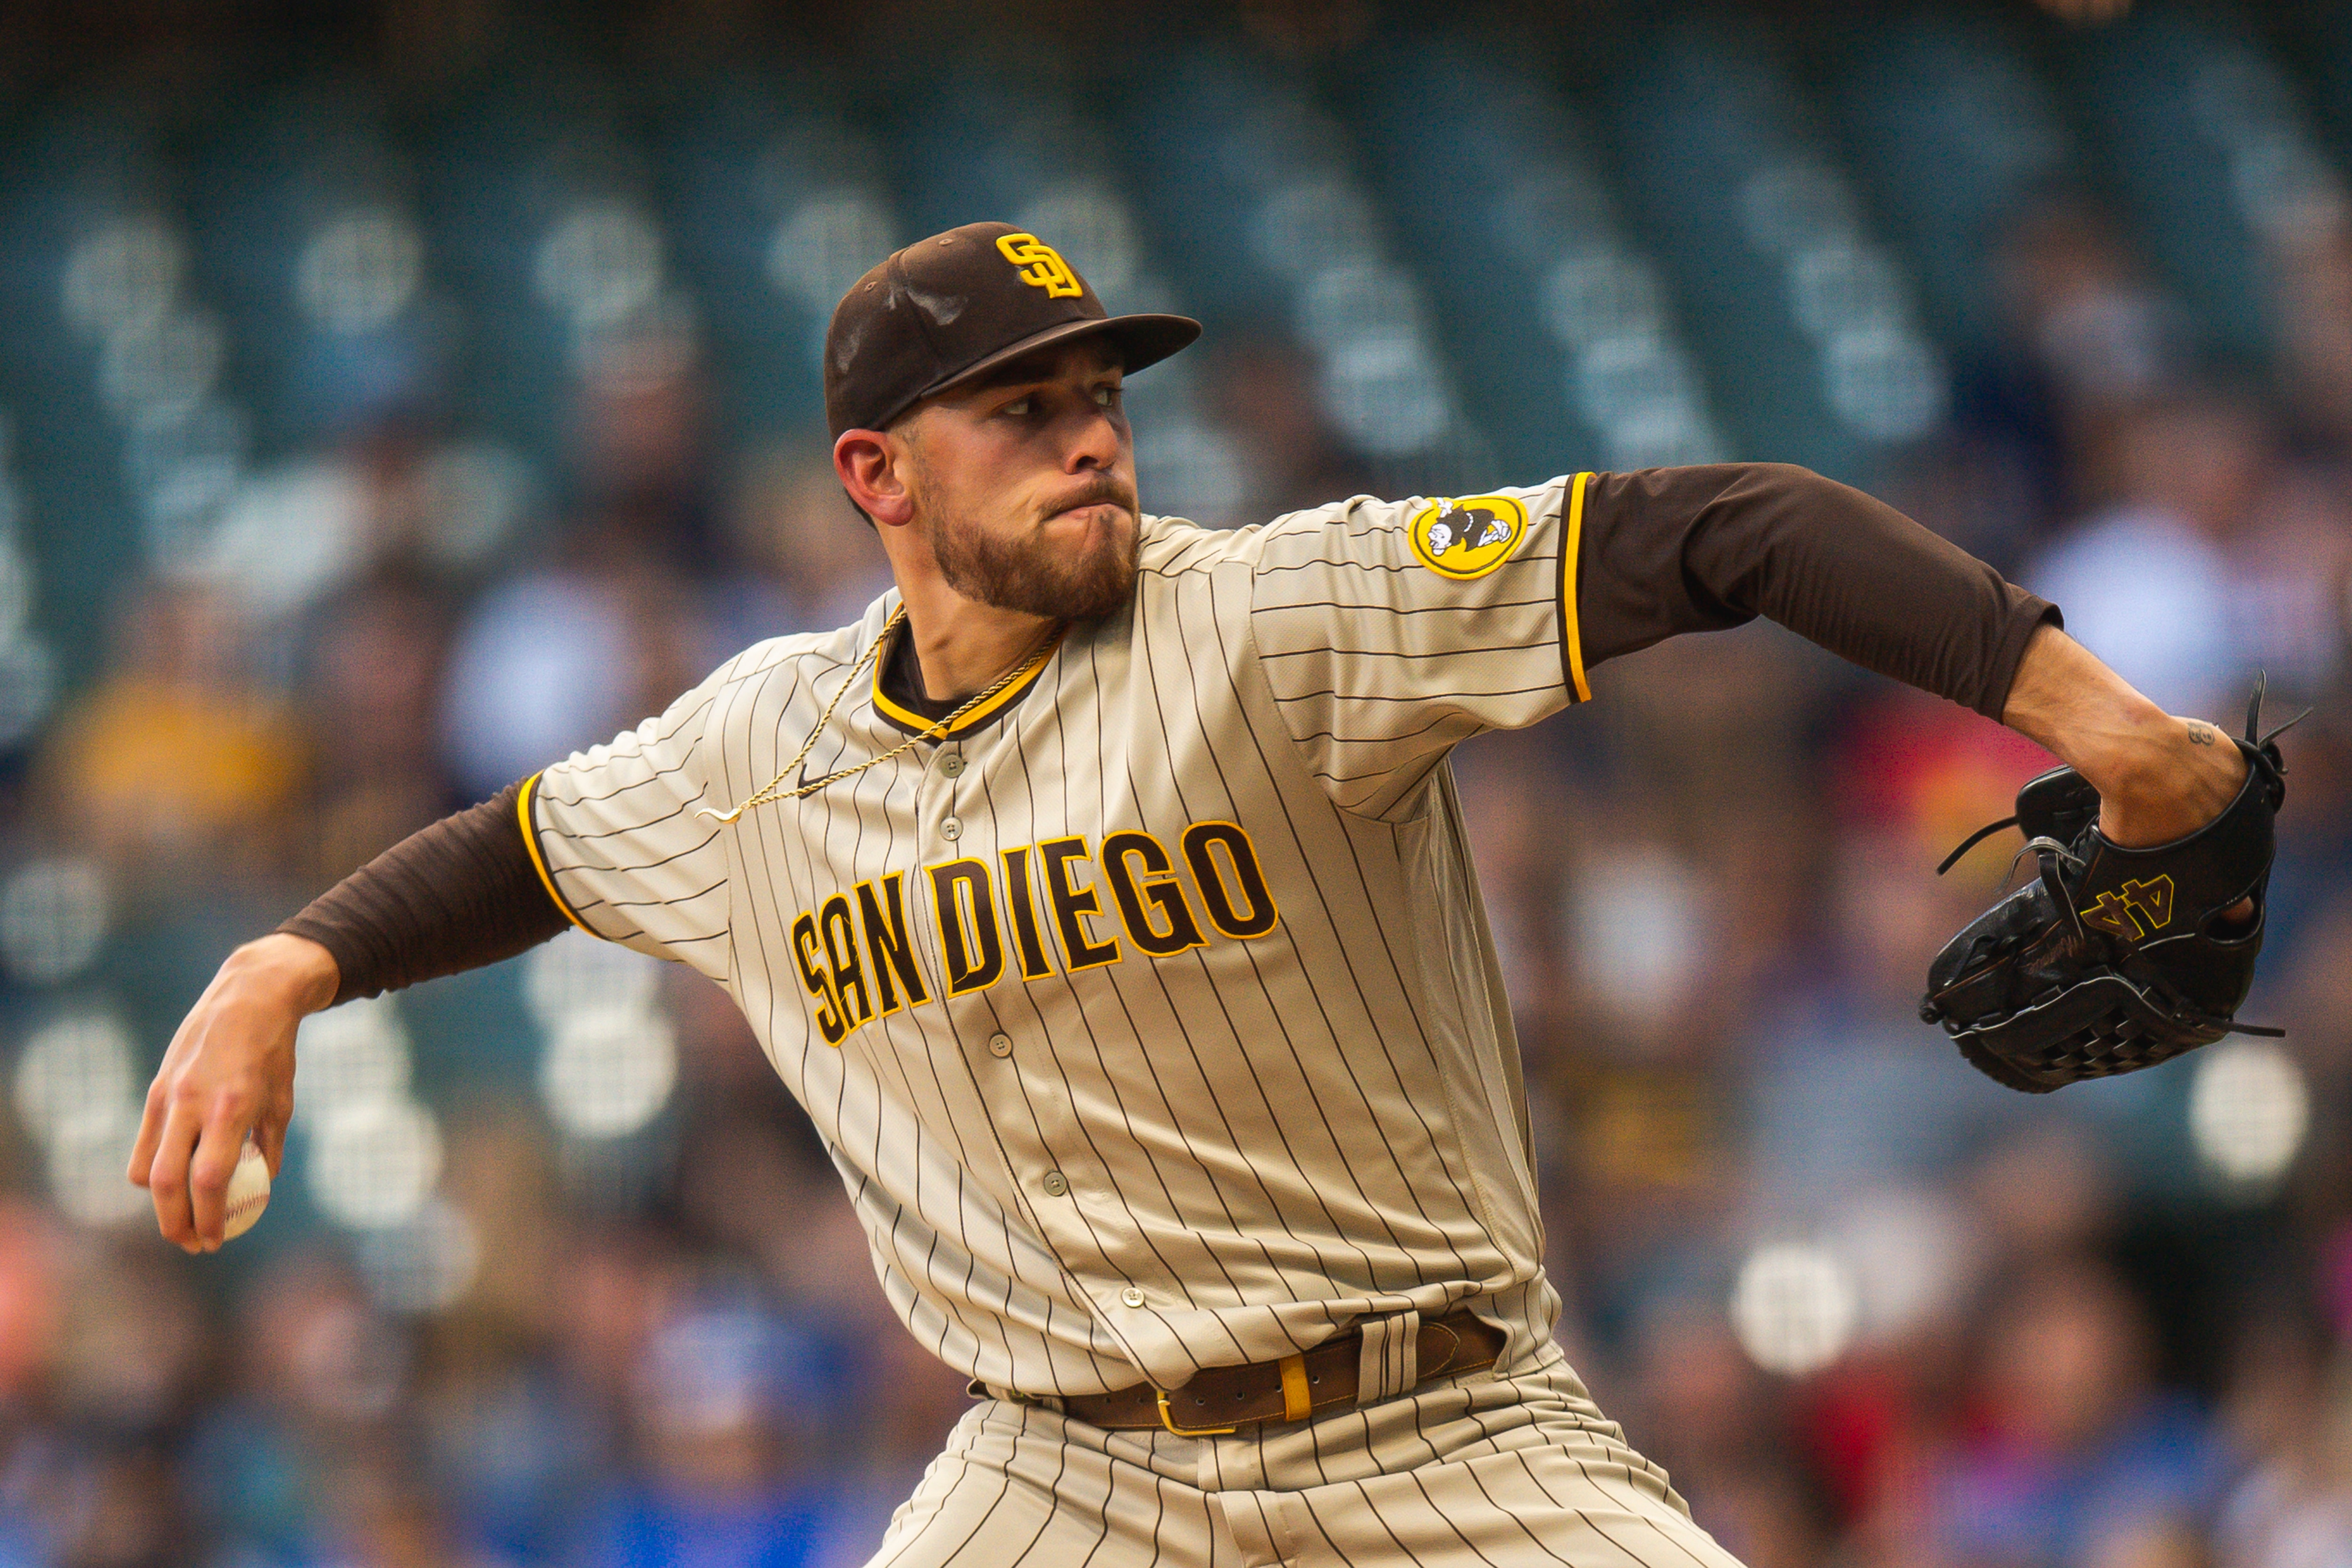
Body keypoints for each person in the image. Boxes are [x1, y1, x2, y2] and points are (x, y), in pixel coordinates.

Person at [131, 222, 2249, 1566]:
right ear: (877, 476)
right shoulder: (753, 749)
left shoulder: (1269, 617)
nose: (1090, 444)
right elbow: (515, 851)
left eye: (1101, 402)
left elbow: (1733, 529)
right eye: (1022, 412)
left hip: (1445, 1432)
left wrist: (2118, 730)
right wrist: (278, 963)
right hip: (1064, 1477)